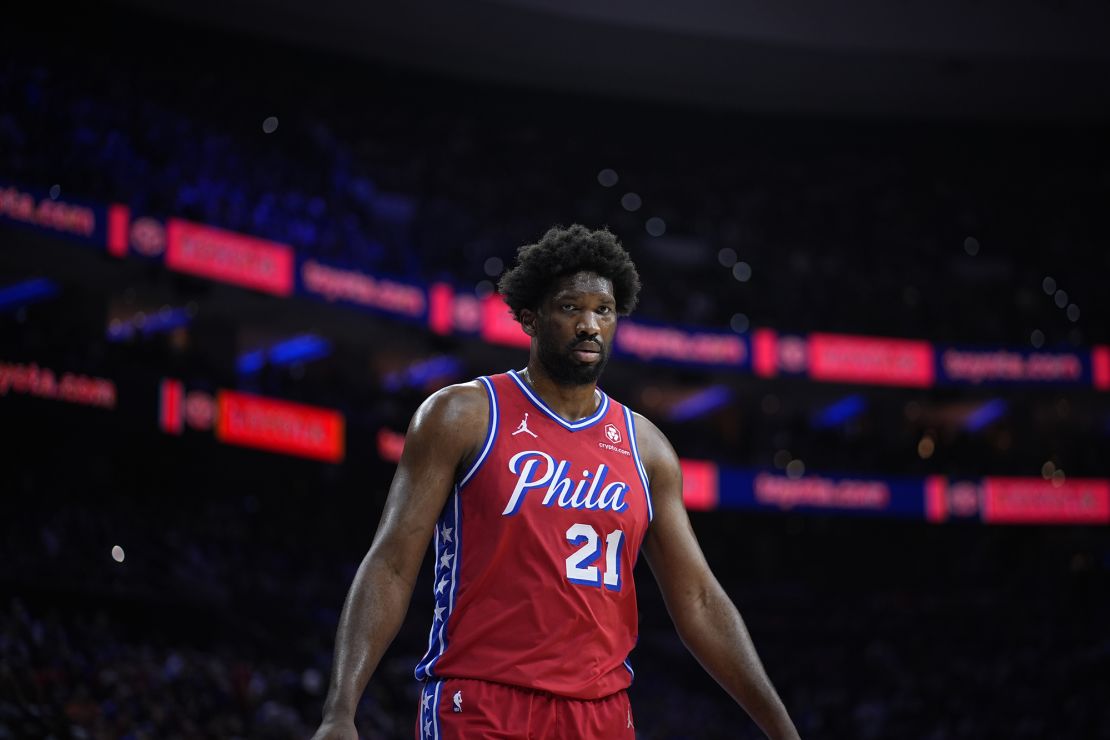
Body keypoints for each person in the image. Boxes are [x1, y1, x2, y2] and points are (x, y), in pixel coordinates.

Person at [312, 225, 800, 739]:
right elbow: (390, 564)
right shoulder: (462, 414)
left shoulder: (647, 449)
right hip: (481, 702)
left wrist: (782, 729)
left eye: (604, 311)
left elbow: (698, 599)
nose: (589, 324)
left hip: (602, 714)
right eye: (571, 308)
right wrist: (340, 710)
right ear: (530, 317)